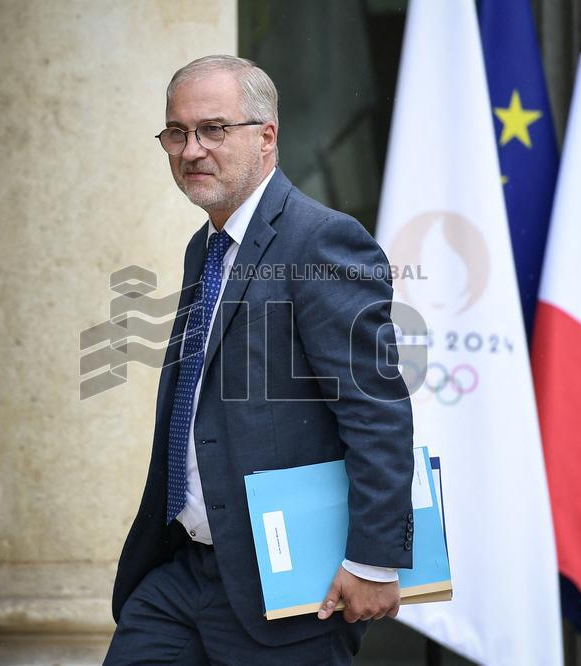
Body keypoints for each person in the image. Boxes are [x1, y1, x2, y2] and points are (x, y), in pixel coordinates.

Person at [106, 55, 414, 665]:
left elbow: (374, 410)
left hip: (285, 585)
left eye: (213, 129)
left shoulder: (320, 240)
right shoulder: (205, 247)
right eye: (177, 132)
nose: (192, 150)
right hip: (180, 574)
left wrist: (374, 561)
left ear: (266, 136)